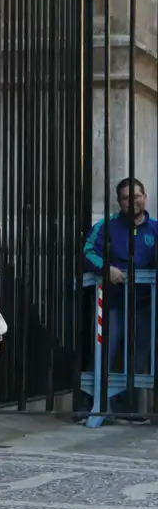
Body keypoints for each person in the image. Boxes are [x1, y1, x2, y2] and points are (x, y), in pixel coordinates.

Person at [83, 177, 158, 422]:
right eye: (126, 197)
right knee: (105, 352)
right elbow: (87, 252)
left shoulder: (155, 229)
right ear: (119, 202)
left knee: (139, 356)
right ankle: (95, 406)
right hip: (113, 303)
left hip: (146, 303)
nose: (132, 201)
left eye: (136, 195)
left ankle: (130, 410)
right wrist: (107, 269)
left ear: (145, 197)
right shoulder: (106, 225)